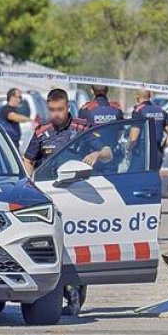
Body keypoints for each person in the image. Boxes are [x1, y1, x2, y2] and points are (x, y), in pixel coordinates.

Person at [22, 88, 100, 317]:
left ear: (68, 107)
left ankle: (79, 289)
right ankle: (70, 295)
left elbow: (107, 151)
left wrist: (96, 155)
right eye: (52, 110)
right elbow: (28, 160)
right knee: (58, 247)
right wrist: (30, 184)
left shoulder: (82, 128)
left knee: (78, 246)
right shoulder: (41, 132)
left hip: (80, 194)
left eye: (60, 109)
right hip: (51, 195)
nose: (56, 114)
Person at [128, 89, 168, 171]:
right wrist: (161, 148)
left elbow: (133, 138)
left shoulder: (138, 111)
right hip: (156, 152)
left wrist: (129, 148)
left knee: (134, 180)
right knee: (153, 179)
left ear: (137, 97)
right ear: (150, 96)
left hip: (142, 153)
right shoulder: (161, 111)